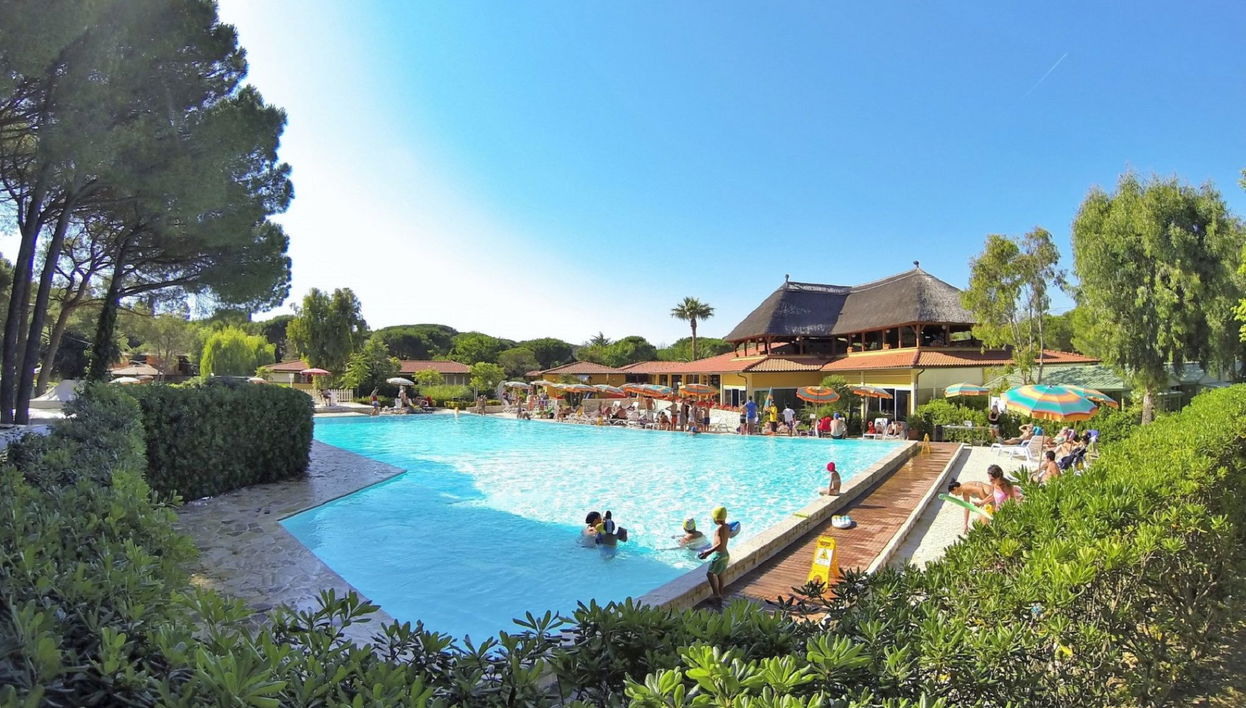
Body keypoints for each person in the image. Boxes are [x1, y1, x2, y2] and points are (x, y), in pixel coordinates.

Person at [698, 506, 731, 606]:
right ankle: (720, 594)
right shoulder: (727, 527)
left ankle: (716, 594)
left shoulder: (719, 529)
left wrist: (707, 552)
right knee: (720, 574)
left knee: (710, 574)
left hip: (719, 555)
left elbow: (719, 544)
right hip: (725, 554)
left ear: (715, 519)